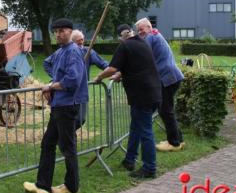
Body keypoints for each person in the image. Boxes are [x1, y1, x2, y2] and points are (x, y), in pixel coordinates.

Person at [23, 18, 88, 193]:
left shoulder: (73, 52)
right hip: (59, 105)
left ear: (70, 31)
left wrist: (52, 87)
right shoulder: (60, 52)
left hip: (67, 106)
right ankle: (42, 186)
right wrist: (53, 83)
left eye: (62, 31)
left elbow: (73, 80)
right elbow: (56, 72)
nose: (59, 34)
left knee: (67, 147)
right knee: (48, 144)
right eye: (56, 31)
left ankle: (72, 186)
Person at [94, 24, 161, 178]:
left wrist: (99, 77)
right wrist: (121, 75)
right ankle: (129, 160)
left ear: (120, 37)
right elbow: (138, 65)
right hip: (155, 92)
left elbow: (111, 68)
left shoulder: (124, 46)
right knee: (136, 127)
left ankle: (150, 168)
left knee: (145, 131)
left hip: (141, 95)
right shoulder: (143, 43)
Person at [135, 18, 185, 152]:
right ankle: (178, 139)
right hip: (171, 77)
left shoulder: (150, 37)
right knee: (167, 110)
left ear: (149, 27)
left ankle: (174, 143)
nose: (140, 32)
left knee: (165, 110)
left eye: (142, 29)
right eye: (138, 30)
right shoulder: (155, 35)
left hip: (168, 78)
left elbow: (140, 55)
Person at [43, 29, 108, 128]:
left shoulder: (88, 51)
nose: (81, 43)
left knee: (80, 119)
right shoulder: (63, 52)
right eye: (78, 42)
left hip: (80, 91)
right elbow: (46, 63)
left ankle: (68, 137)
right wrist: (55, 77)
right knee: (66, 122)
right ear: (71, 41)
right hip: (65, 93)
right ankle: (68, 137)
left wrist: (114, 71)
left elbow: (103, 64)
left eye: (82, 40)